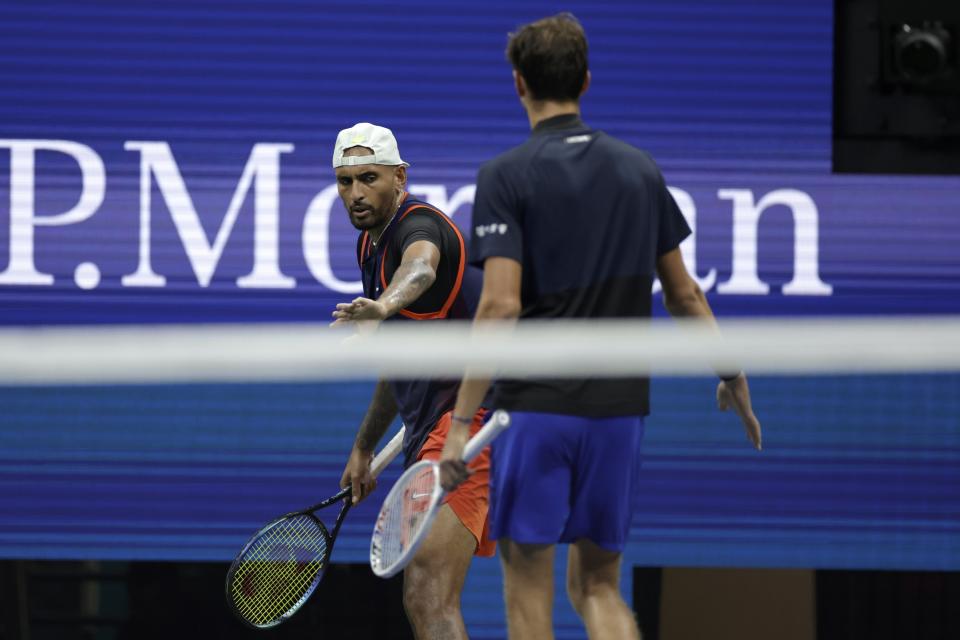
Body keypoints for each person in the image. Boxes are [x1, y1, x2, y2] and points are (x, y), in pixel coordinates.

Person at [438, 14, 762, 640]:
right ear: (585, 80)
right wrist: (733, 371)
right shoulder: (639, 169)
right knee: (598, 588)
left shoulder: (505, 176)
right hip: (618, 414)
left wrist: (457, 426)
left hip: (538, 409)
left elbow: (500, 308)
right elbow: (685, 294)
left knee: (527, 591)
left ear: (518, 85)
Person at [329, 122, 492, 640]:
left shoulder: (418, 226)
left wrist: (383, 305)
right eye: (345, 181)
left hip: (471, 422)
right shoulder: (368, 246)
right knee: (424, 598)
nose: (355, 193)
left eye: (368, 178)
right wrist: (363, 446)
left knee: (428, 591)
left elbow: (420, 269)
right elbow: (397, 362)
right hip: (429, 429)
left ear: (400, 177)